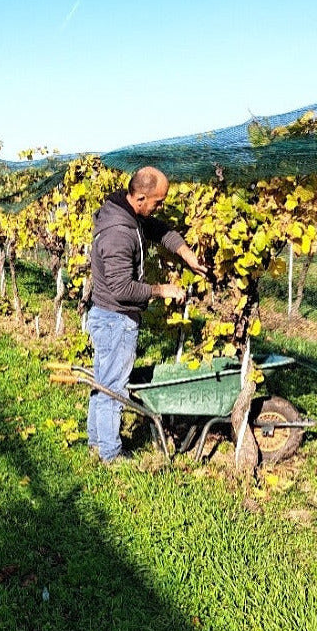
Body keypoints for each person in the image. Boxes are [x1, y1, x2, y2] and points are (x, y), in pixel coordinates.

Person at [87, 166, 207, 463]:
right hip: (116, 318)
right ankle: (110, 454)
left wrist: (186, 254)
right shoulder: (119, 233)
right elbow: (121, 289)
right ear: (140, 197)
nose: (160, 207)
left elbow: (157, 229)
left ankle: (97, 442)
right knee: (113, 387)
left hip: (107, 316)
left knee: (103, 381)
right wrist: (161, 290)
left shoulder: (126, 212)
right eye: (158, 202)